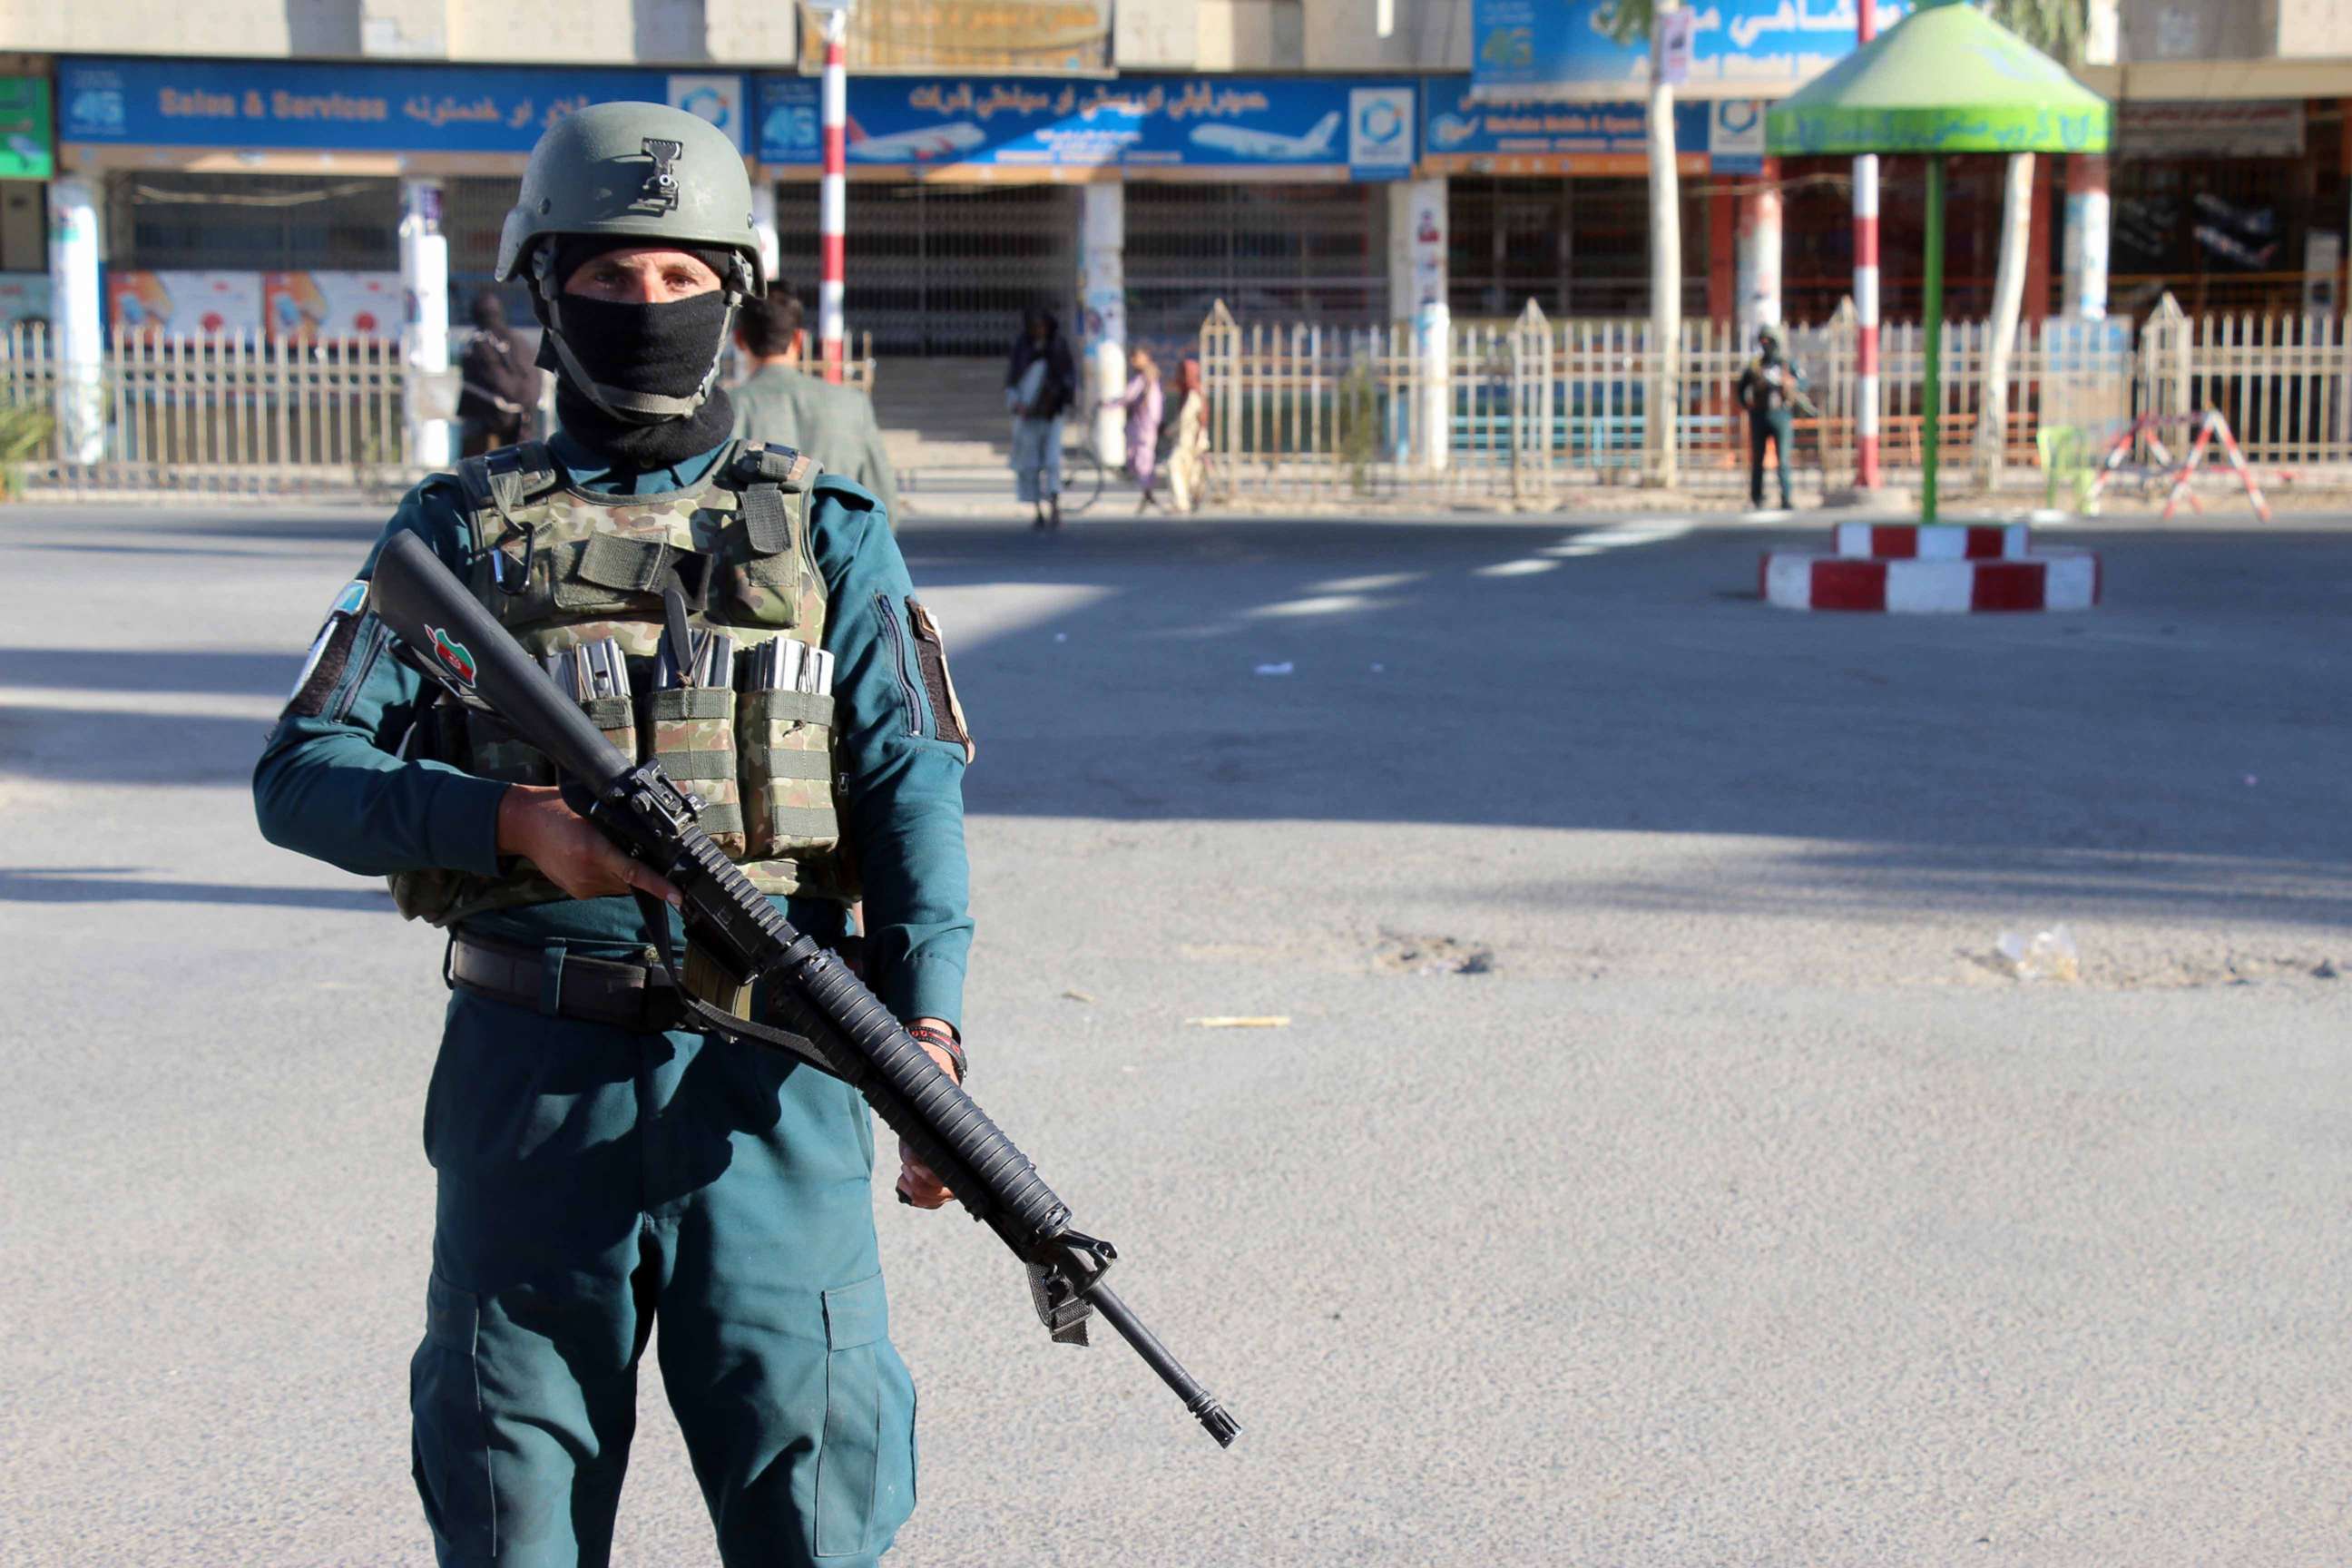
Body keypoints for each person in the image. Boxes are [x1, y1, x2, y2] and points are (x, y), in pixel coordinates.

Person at [252, 103, 975, 1568]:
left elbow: (908, 783)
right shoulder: (456, 530)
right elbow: (302, 773)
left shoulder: (827, 527)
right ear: (541, 290)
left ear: (734, 290)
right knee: (512, 1503)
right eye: (604, 277)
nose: (644, 308)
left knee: (814, 1503)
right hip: (536, 1082)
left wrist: (930, 1035)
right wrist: (510, 823)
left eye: (678, 277)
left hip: (776, 1076)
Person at [729, 284, 899, 522]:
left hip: (755, 554)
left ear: (738, 339)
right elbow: (883, 502)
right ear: (799, 338)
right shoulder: (851, 405)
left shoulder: (727, 408)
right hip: (834, 554)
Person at [1005, 307, 1075, 530]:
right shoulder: (1022, 348)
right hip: (1028, 416)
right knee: (1031, 463)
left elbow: (1067, 378)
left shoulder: (1057, 347)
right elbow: (1013, 380)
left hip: (1051, 415)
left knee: (1053, 461)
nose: (1039, 330)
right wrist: (1017, 403)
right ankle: (1037, 509)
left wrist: (1059, 398)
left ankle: (1055, 505)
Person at [1736, 322, 1816, 512]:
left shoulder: (1787, 364)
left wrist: (1790, 384)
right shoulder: (1756, 366)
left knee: (1783, 460)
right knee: (1758, 459)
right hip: (1760, 415)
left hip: (1781, 414)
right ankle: (1757, 497)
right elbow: (1741, 388)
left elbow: (1804, 383)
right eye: (1763, 341)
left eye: (1769, 341)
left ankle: (1786, 497)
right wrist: (1748, 406)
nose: (1766, 345)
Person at [454, 292, 539, 457]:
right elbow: (534, 376)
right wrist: (525, 402)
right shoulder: (519, 340)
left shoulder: (476, 342)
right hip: (522, 416)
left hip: (485, 419)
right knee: (518, 468)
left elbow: (491, 378)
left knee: (476, 472)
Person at [1114, 346, 1164, 513]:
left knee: (1143, 461)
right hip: (1142, 425)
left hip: (1144, 426)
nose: (1133, 361)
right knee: (1141, 460)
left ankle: (1148, 493)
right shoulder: (1146, 377)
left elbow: (1128, 397)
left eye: (1136, 357)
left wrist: (1108, 404)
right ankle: (1147, 494)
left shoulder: (1145, 378)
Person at [1164, 357, 1210, 514]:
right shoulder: (1187, 394)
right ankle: (1183, 502)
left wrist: (1169, 431)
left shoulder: (1194, 395)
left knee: (1174, 466)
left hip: (1190, 440)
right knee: (1183, 471)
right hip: (1187, 440)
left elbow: (1186, 419)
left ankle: (1183, 502)